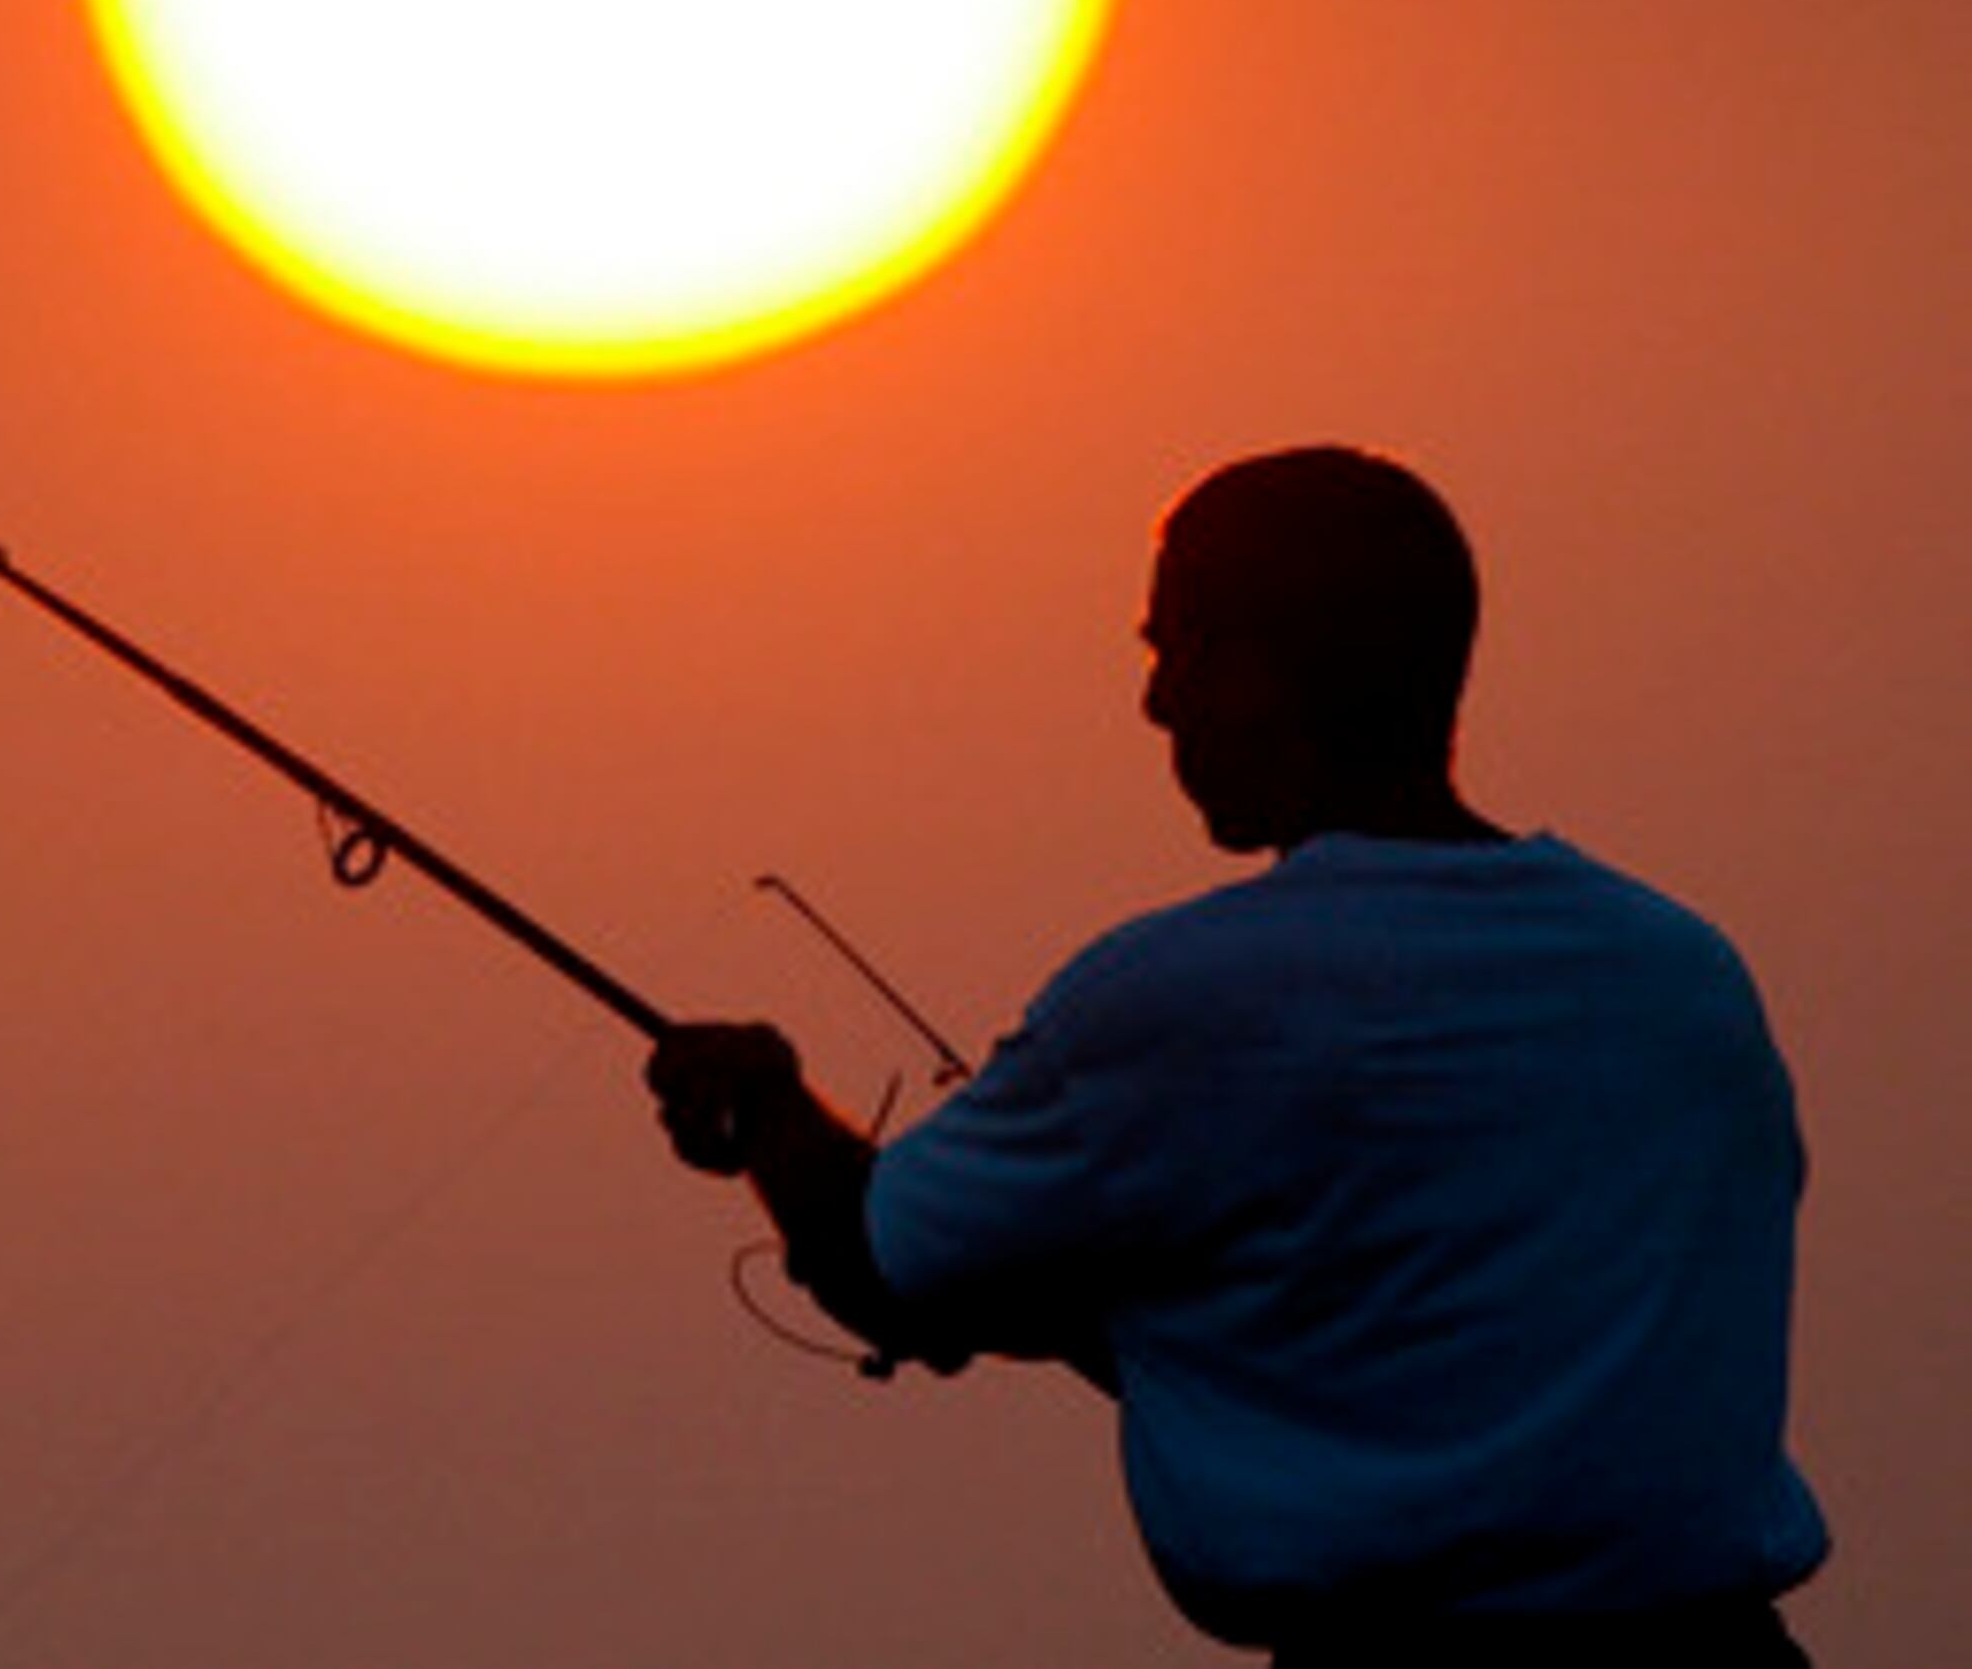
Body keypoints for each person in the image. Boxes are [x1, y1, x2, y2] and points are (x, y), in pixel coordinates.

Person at [651, 446, 1827, 1665]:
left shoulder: (1177, 996)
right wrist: (1137, 1325)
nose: (1153, 703)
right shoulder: (1682, 975)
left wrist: (765, 1108)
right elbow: (1436, 1359)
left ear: (1260, 668)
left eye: (1169, 651)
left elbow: (877, 1264)